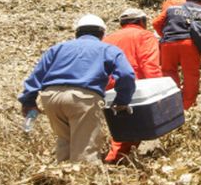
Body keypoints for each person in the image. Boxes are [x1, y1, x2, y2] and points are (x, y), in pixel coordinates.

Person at [17, 14, 136, 163]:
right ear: (102, 34)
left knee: (65, 142)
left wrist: (28, 102)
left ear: (77, 33)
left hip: (51, 98)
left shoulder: (57, 48)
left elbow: (36, 76)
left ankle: (61, 180)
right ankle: (82, 181)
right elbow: (126, 75)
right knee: (85, 150)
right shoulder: (108, 49)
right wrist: (121, 100)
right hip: (83, 99)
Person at [103, 8, 162, 164]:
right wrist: (158, 89)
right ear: (142, 22)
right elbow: (149, 64)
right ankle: (114, 160)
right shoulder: (145, 36)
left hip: (109, 84)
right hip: (133, 84)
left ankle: (117, 156)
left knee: (118, 122)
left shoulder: (108, 38)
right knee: (129, 126)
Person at [152, 0, 201, 110]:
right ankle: (187, 105)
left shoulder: (171, 8)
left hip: (168, 44)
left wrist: (165, 35)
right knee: (190, 75)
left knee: (169, 72)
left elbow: (156, 23)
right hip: (190, 46)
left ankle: (172, 101)